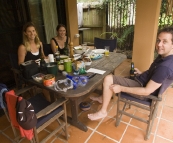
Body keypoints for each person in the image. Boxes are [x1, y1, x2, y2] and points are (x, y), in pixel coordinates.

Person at [88, 26, 173, 121]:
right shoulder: (164, 56)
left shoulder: (165, 67)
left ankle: (103, 111)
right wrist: (142, 73)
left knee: (108, 79)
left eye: (164, 42)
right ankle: (102, 98)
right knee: (120, 77)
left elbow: (146, 91)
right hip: (142, 81)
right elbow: (155, 73)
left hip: (143, 91)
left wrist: (121, 88)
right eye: (158, 40)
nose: (159, 44)